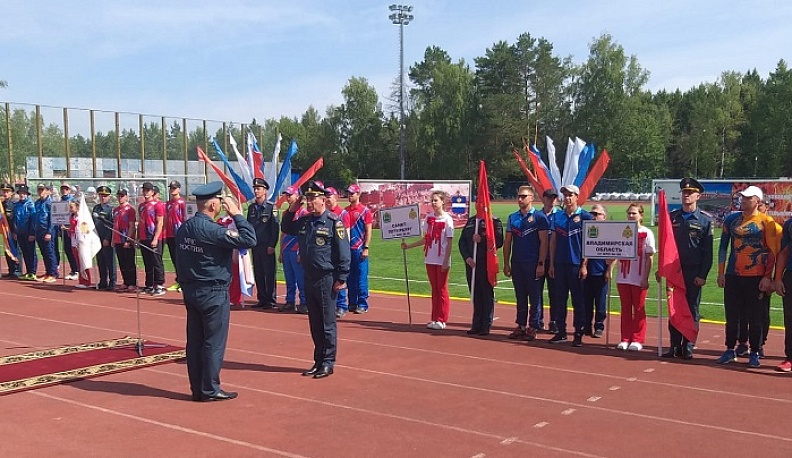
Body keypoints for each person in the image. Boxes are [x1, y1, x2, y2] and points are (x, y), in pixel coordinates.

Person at [175, 182, 256, 401]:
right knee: (213, 342)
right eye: (219, 202)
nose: (221, 205)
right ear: (212, 205)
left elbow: (179, 258)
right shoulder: (213, 230)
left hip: (191, 290)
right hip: (213, 292)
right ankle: (209, 389)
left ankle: (197, 388)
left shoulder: (185, 227)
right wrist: (238, 215)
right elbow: (249, 240)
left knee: (195, 342)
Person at [281, 180, 350, 379]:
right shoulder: (305, 221)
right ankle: (318, 361)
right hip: (309, 277)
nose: (309, 203)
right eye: (308, 199)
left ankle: (328, 362)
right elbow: (286, 226)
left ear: (323, 200)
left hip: (327, 278)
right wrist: (296, 204)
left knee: (327, 323)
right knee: (314, 323)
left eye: (313, 199)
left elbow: (344, 252)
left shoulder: (333, 222)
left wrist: (342, 277)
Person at [716, 185, 780, 367]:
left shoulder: (766, 222)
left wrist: (767, 277)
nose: (743, 200)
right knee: (732, 314)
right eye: (742, 197)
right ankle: (730, 349)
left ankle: (754, 351)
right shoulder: (731, 220)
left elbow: (772, 252)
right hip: (733, 275)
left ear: (757, 201)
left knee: (755, 316)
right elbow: (723, 247)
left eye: (748, 198)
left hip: (756, 276)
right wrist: (721, 273)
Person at [660, 178, 713, 360]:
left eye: (690, 193)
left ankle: (688, 345)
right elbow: (665, 244)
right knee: (674, 308)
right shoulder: (672, 218)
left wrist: (702, 275)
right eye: (684, 192)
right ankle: (674, 345)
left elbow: (708, 253)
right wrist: (662, 269)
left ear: (698, 196)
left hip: (693, 273)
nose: (686, 195)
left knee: (691, 309)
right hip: (674, 271)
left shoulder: (705, 221)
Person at [402, 190, 455, 330]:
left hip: (441, 259)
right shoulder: (429, 218)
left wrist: (446, 260)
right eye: (432, 200)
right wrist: (408, 246)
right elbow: (425, 239)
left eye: (436, 200)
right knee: (434, 289)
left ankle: (442, 319)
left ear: (443, 202)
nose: (433, 203)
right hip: (430, 258)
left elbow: (449, 242)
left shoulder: (448, 219)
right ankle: (434, 318)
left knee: (442, 289)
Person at [548, 184, 593, 347]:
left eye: (570, 195)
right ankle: (561, 331)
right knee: (560, 299)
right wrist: (551, 263)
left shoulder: (586, 217)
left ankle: (578, 333)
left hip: (576, 264)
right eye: (565, 195)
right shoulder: (557, 216)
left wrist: (584, 265)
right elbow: (553, 241)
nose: (567, 198)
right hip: (560, 264)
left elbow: (590, 243)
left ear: (576, 197)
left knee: (578, 301)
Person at [502, 186, 548, 341]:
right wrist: (506, 263)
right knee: (520, 296)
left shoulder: (540, 217)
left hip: (533, 263)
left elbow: (544, 242)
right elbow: (508, 242)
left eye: (523, 196)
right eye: (519, 196)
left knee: (535, 297)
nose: (520, 199)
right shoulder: (512, 217)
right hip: (517, 263)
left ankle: (533, 326)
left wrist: (541, 263)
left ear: (531, 198)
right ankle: (521, 325)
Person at [459, 198, 504, 335]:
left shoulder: (494, 222)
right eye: (478, 201)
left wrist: (483, 239)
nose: (481, 204)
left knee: (486, 294)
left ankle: (486, 325)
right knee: (475, 294)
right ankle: (476, 324)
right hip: (471, 264)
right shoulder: (472, 221)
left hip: (486, 263)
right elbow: (462, 242)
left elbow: (499, 241)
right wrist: (467, 257)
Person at [614, 204, 655, 351]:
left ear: (641, 215)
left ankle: (637, 339)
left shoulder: (647, 233)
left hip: (638, 277)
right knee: (625, 308)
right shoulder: (622, 231)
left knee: (638, 308)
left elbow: (650, 258)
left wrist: (645, 278)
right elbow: (615, 251)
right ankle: (625, 338)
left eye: (634, 213)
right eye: (629, 213)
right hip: (623, 277)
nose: (631, 216)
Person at [247, 178, 279, 309]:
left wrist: (272, 245)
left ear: (265, 191)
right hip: (255, 245)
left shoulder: (272, 207)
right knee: (258, 273)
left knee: (269, 273)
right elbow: (248, 226)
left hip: (267, 246)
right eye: (255, 188)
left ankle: (270, 300)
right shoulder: (252, 208)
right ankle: (262, 298)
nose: (256, 191)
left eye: (259, 188)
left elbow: (275, 228)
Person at [583, 204, 613, 338]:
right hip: (587, 272)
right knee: (586, 302)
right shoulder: (586, 231)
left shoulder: (609, 233)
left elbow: (616, 252)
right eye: (592, 214)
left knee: (600, 303)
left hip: (601, 272)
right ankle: (586, 325)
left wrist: (609, 270)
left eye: (597, 214)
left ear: (604, 217)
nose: (594, 216)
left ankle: (599, 326)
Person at [344, 183, 372, 314]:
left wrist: (366, 247)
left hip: (360, 249)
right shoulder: (345, 211)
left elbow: (368, 230)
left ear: (358, 194)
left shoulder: (365, 211)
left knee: (361, 278)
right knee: (350, 277)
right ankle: (352, 302)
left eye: (352, 193)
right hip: (348, 249)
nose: (350, 196)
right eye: (348, 193)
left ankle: (362, 303)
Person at [278, 186, 308, 314]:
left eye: (290, 195)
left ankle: (304, 302)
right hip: (286, 248)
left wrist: (301, 251)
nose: (288, 198)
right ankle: (289, 301)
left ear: (298, 196)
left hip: (296, 249)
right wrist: (280, 251)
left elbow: (305, 236)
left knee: (300, 278)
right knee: (289, 278)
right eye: (287, 195)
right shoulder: (286, 213)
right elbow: (283, 233)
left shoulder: (304, 213)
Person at [138, 181, 166, 296]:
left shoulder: (157, 205)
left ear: (152, 192)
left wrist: (156, 238)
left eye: (148, 190)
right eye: (144, 190)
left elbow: (160, 223)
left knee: (156, 261)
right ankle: (149, 284)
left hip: (153, 236)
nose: (146, 192)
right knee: (147, 262)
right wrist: (139, 238)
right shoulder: (141, 206)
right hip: (144, 237)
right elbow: (140, 223)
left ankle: (159, 284)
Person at [772, 213, 792, 372]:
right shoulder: (789, 224)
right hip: (790, 276)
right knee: (790, 319)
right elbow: (784, 252)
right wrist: (778, 279)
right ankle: (790, 358)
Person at [539, 188, 560, 333]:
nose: (551, 200)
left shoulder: (560, 215)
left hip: (554, 260)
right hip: (539, 259)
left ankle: (554, 321)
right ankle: (538, 320)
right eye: (549, 197)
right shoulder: (537, 215)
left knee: (555, 292)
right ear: (543, 198)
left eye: (554, 197)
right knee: (536, 292)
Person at [326, 187, 348, 316]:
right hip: (329, 252)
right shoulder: (325, 213)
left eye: (329, 196)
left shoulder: (342, 213)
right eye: (326, 196)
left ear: (336, 197)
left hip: (339, 250)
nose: (327, 199)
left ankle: (342, 306)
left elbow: (346, 233)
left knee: (340, 278)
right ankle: (332, 305)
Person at [112, 188, 137, 292]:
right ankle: (126, 281)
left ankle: (132, 282)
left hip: (126, 238)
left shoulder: (130, 209)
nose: (120, 198)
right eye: (118, 196)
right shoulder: (116, 210)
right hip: (118, 239)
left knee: (129, 262)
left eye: (122, 196)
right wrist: (113, 239)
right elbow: (114, 225)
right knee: (122, 262)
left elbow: (132, 225)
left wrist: (128, 239)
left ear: (126, 197)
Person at [92, 186, 116, 291]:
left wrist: (108, 238)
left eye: (105, 196)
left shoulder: (110, 209)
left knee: (110, 261)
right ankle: (103, 281)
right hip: (97, 238)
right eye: (101, 195)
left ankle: (112, 282)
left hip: (106, 239)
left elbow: (111, 225)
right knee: (100, 261)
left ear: (109, 197)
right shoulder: (96, 208)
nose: (103, 198)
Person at [33, 184, 58, 282]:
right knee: (44, 253)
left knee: (49, 252)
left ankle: (53, 273)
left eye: (42, 190)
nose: (40, 192)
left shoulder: (50, 203)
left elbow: (52, 219)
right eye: (39, 190)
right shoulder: (38, 202)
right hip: (39, 231)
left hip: (47, 231)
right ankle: (48, 272)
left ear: (48, 191)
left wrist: (49, 232)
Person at [165, 180, 186, 291]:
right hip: (170, 234)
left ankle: (184, 282)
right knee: (174, 259)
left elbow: (185, 218)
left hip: (179, 234)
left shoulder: (183, 203)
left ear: (179, 189)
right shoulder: (168, 204)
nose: (172, 190)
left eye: (174, 188)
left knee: (182, 259)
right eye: (171, 188)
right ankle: (179, 281)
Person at [68, 198, 94, 289]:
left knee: (83, 262)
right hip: (74, 242)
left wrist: (81, 241)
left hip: (81, 242)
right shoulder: (72, 216)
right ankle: (82, 280)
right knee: (78, 263)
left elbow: (84, 231)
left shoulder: (82, 218)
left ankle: (87, 281)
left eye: (72, 207)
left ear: (77, 207)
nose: (70, 209)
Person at [13, 185, 38, 281]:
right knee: (24, 252)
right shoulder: (17, 205)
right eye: (20, 193)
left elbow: (33, 220)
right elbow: (15, 219)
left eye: (24, 193)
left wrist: (32, 233)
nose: (22, 195)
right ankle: (28, 271)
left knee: (31, 252)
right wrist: (15, 231)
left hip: (28, 232)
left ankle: (32, 272)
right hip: (20, 232)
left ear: (27, 194)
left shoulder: (31, 205)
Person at [58, 184, 80, 280]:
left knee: (73, 250)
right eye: (62, 189)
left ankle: (77, 270)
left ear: (69, 190)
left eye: (66, 189)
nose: (64, 191)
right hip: (64, 229)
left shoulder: (73, 200)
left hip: (72, 229)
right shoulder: (60, 201)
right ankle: (73, 269)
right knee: (67, 250)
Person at [1, 183, 21, 278]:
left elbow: (15, 220)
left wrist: (15, 232)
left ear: (11, 193)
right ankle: (11, 270)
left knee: (15, 250)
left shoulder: (13, 204)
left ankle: (17, 271)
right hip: (5, 232)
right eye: (3, 191)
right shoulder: (1, 204)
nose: (5, 193)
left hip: (12, 232)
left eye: (7, 191)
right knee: (7, 250)